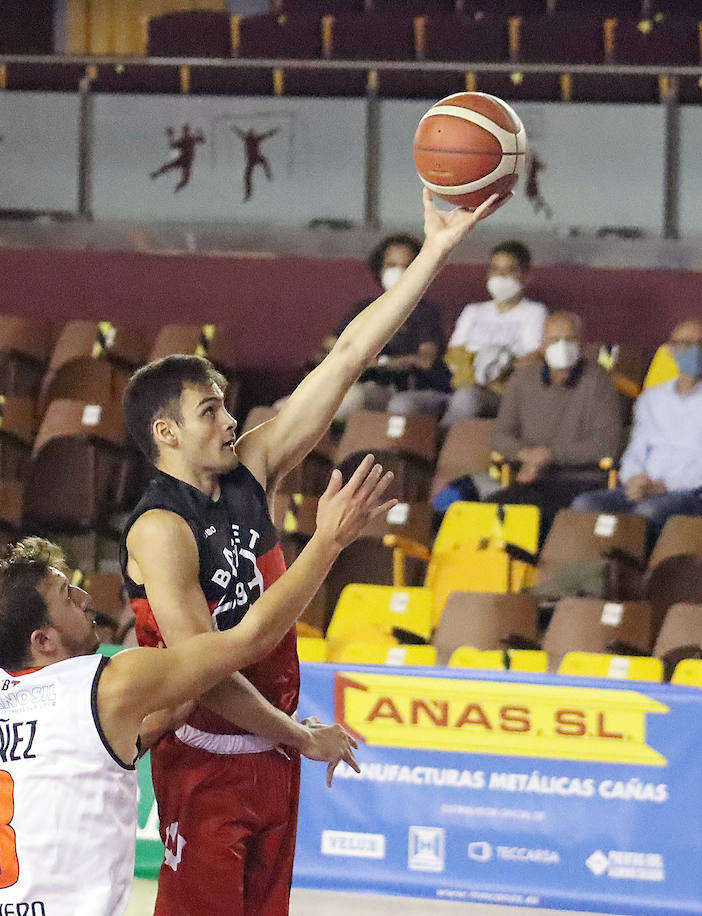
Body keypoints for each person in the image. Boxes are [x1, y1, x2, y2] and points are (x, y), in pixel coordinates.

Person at [120, 189, 503, 916]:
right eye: (211, 412)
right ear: (166, 434)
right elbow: (209, 671)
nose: (232, 419)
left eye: (228, 405)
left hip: (271, 754)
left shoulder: (252, 468)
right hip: (203, 758)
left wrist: (436, 253)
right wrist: (301, 734)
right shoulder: (158, 531)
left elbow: (352, 355)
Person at [0, 456, 390, 916]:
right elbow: (248, 641)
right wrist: (328, 540)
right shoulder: (108, 685)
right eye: (68, 595)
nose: (86, 598)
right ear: (42, 640)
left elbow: (106, 746)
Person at [571, 319, 702, 540]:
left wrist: (663, 487)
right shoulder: (652, 398)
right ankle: (595, 569)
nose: (695, 351)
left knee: (648, 512)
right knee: (585, 505)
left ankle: (642, 572)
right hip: (644, 487)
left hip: (693, 491)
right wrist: (634, 479)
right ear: (671, 349)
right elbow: (637, 449)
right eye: (686, 344)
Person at [488, 310, 625, 535]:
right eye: (554, 339)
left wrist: (550, 455)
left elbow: (606, 445)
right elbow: (500, 437)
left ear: (581, 345)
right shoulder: (522, 379)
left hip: (580, 480)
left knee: (529, 519)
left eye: (569, 339)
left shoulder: (598, 381)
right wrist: (526, 455)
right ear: (542, 344)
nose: (562, 346)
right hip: (531, 480)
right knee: (484, 511)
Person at [314, 234, 452, 420]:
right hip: (358, 383)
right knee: (290, 406)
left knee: (350, 399)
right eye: (391, 266)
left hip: (398, 388)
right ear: (380, 268)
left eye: (406, 266)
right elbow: (331, 344)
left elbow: (425, 359)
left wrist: (379, 362)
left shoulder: (424, 312)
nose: (398, 272)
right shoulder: (366, 308)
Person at [441, 240, 548, 426]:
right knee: (405, 404)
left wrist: (502, 367)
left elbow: (535, 355)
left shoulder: (534, 312)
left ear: (526, 275)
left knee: (465, 399)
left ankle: (443, 445)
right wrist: (472, 372)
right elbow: (455, 351)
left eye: (510, 270)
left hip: (501, 391)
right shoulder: (473, 311)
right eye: (495, 269)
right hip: (462, 384)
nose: (501, 276)